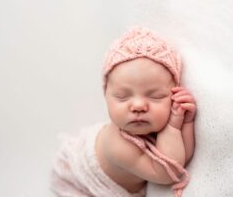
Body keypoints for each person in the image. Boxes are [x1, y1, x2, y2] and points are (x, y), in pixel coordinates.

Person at [51, 26, 196, 197]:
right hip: (84, 183)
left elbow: (182, 158)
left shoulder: (151, 125)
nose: (138, 106)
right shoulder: (119, 145)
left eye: (155, 96)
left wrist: (185, 121)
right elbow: (169, 171)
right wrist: (173, 126)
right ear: (106, 96)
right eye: (122, 97)